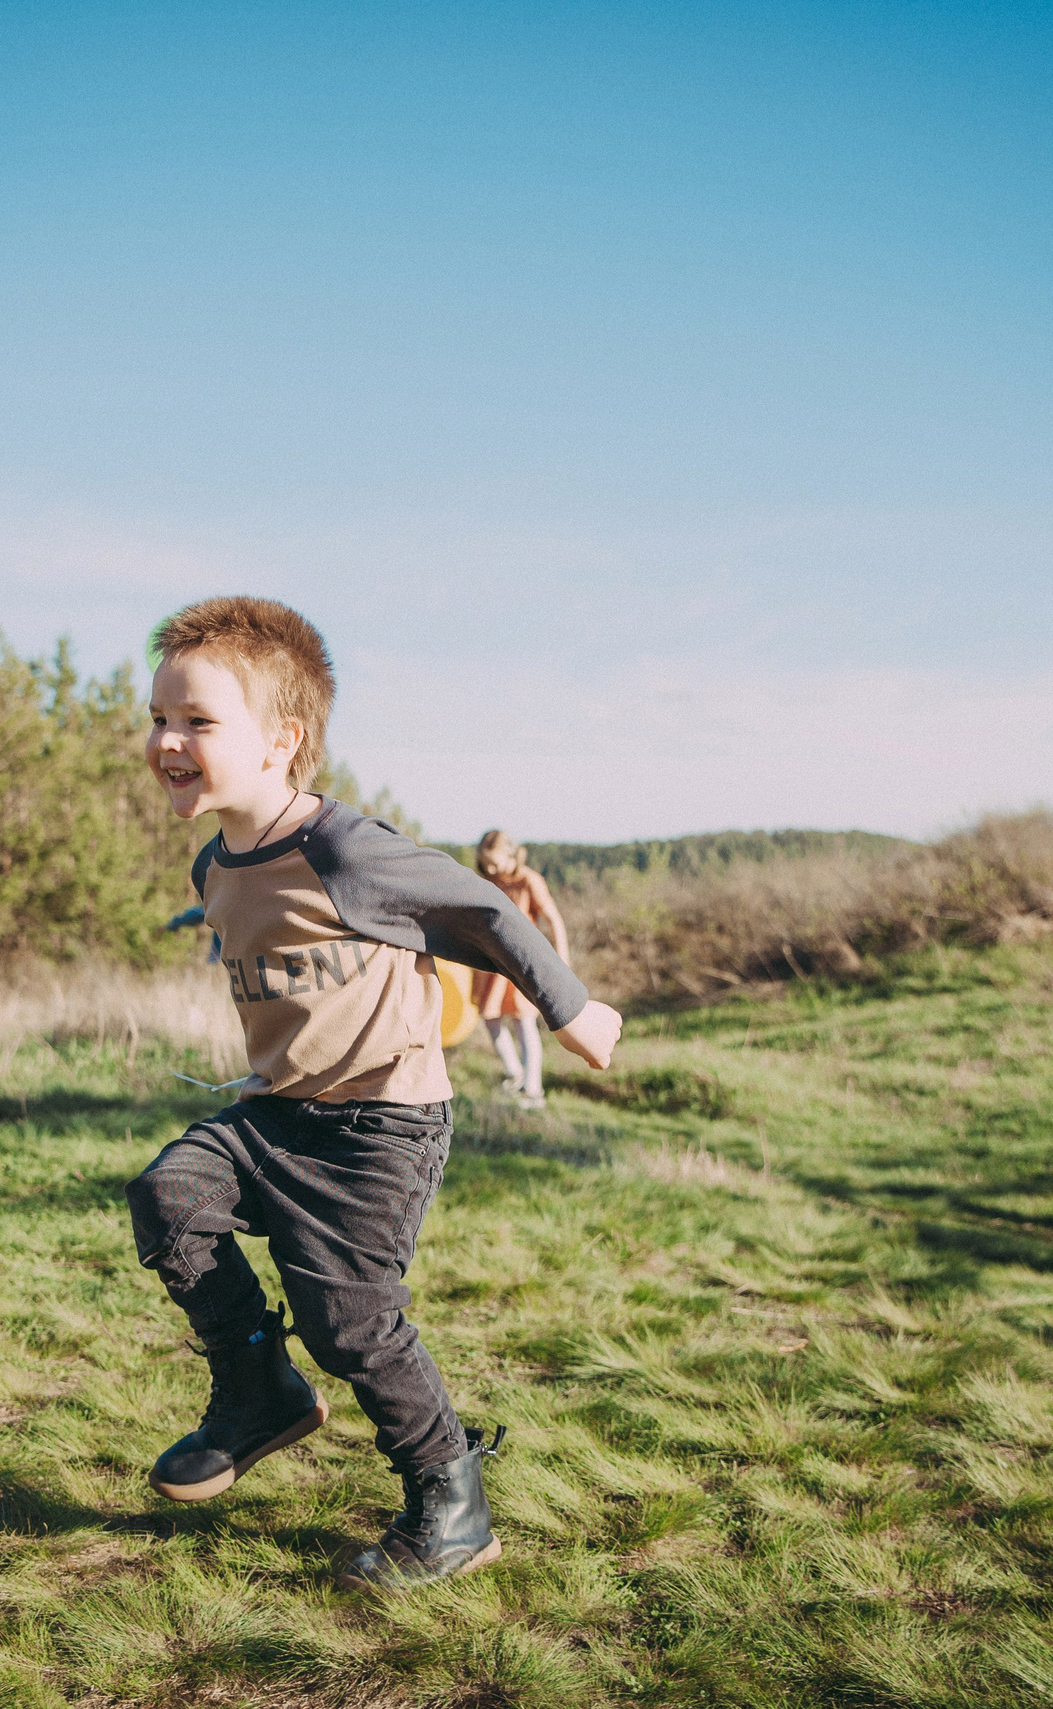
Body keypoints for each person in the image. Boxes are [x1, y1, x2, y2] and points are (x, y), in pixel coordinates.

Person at [127, 596, 623, 1592]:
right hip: (278, 1110)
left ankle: (450, 1503)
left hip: (379, 1126)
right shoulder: (217, 855)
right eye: (158, 718)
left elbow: (480, 910)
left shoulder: (345, 850)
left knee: (349, 1319)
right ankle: (258, 1391)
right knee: (167, 1194)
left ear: (282, 741)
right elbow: (259, 917)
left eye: (198, 722)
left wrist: (573, 1012)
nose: (167, 740)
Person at [469, 830, 567, 1109]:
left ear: (512, 855)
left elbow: (553, 919)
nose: (490, 869)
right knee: (490, 1018)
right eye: (485, 863)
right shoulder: (488, 882)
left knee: (524, 1022)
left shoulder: (529, 881)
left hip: (522, 964)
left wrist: (561, 963)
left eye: (495, 863)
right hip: (493, 964)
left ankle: (533, 1089)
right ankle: (515, 1074)